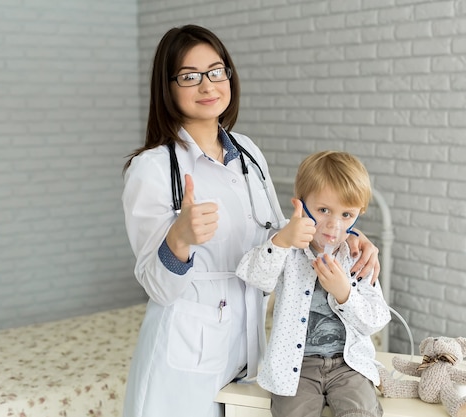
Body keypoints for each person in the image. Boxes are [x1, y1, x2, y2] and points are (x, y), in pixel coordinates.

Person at [121, 24, 381, 417]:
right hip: (188, 355)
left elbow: (287, 233)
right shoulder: (151, 169)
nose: (207, 85)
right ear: (168, 87)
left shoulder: (248, 152)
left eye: (216, 70)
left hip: (251, 349)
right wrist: (179, 239)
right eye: (190, 76)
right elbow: (156, 285)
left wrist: (348, 234)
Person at [236, 150, 391, 417]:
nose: (334, 225)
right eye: (323, 210)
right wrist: (282, 241)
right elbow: (254, 276)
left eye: (346, 215)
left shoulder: (356, 256)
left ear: (359, 214)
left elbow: (376, 320)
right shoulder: (286, 241)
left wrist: (345, 294)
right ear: (301, 203)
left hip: (349, 366)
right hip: (296, 368)